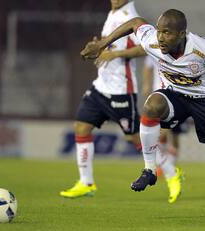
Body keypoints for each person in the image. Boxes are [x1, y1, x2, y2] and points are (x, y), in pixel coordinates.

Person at [80, 9, 205, 222]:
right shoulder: (151, 41)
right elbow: (135, 22)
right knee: (151, 106)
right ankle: (149, 170)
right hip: (175, 96)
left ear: (182, 34)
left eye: (167, 33)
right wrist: (102, 44)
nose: (161, 38)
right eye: (159, 32)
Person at [60, 0, 146, 198]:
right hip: (101, 85)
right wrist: (98, 46)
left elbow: (145, 48)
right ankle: (86, 182)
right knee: (81, 126)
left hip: (121, 89)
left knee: (135, 138)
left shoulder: (129, 16)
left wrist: (115, 54)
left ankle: (168, 169)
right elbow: (110, 44)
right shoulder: (113, 13)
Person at [142, 55, 186, 203]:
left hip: (179, 97)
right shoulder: (153, 48)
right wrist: (147, 85)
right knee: (160, 134)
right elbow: (148, 67)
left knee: (175, 136)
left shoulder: (185, 50)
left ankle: (169, 167)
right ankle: (169, 169)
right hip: (160, 96)